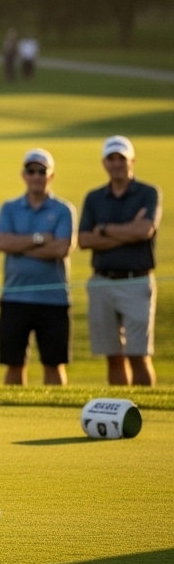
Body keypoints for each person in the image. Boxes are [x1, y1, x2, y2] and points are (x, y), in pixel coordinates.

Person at [78, 136, 161, 387]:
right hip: (102, 281)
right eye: (111, 158)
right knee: (113, 357)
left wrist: (104, 230)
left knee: (139, 355)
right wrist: (127, 232)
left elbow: (144, 231)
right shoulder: (94, 198)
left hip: (136, 281)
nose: (116, 164)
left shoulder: (148, 193)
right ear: (104, 163)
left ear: (132, 160)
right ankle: (120, 406)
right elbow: (84, 240)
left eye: (121, 158)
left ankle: (143, 406)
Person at [0, 148, 75, 386]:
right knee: (14, 364)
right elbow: (2, 242)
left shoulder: (63, 209)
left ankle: (55, 408)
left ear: (51, 175)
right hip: (14, 297)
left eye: (42, 171)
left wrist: (19, 246)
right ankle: (13, 409)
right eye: (31, 171)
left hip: (54, 300)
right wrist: (40, 239)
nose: (36, 176)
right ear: (24, 175)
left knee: (53, 364)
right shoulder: (9, 208)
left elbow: (61, 249)